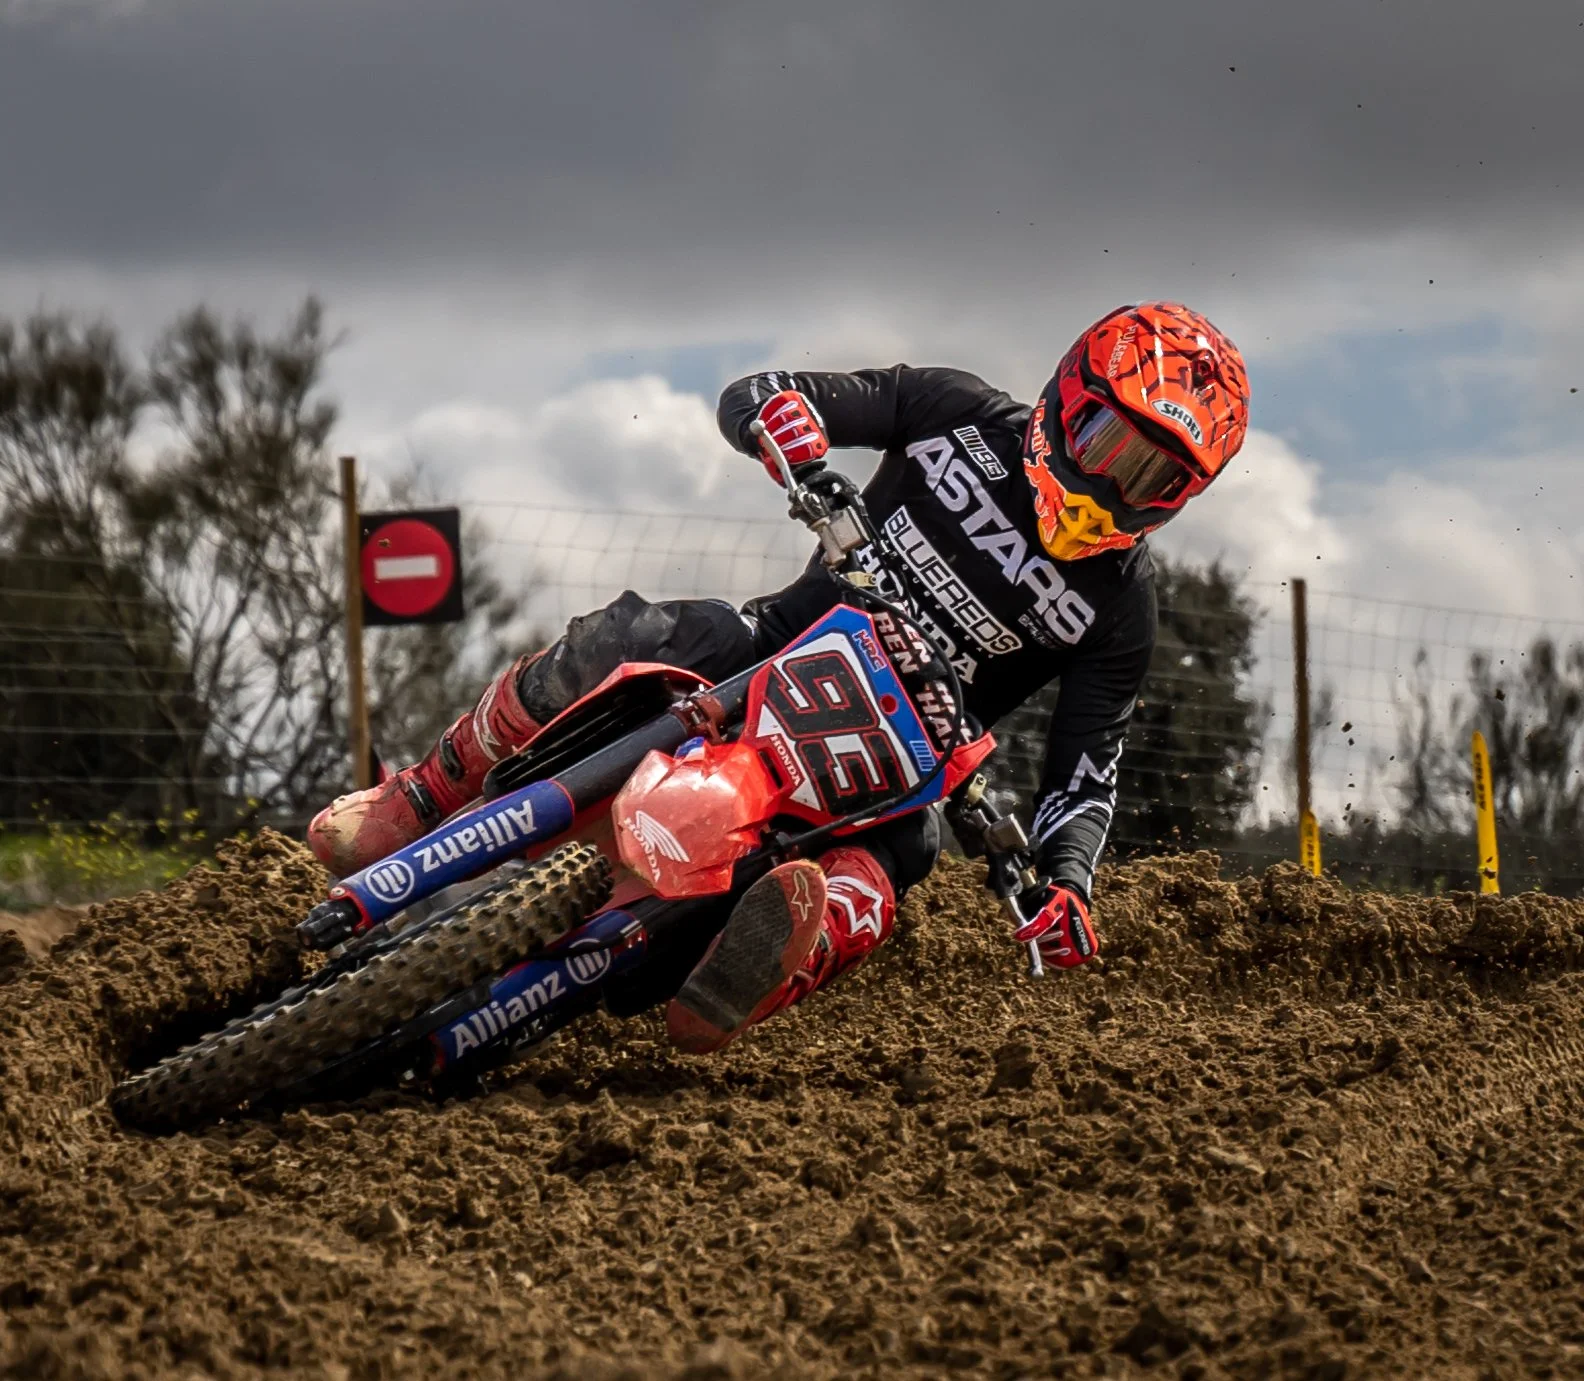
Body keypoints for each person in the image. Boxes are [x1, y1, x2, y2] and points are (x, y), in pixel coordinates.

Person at [308, 302, 1250, 1054]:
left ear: (1179, 498)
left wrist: (1069, 884)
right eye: (1110, 446)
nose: (1113, 485)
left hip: (898, 769)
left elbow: (1085, 774)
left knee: (908, 854)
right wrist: (781, 419)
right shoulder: (954, 410)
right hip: (776, 644)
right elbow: (761, 391)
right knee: (640, 630)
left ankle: (744, 974)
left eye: (1152, 477)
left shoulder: (1121, 609)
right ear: (1067, 397)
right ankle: (422, 796)